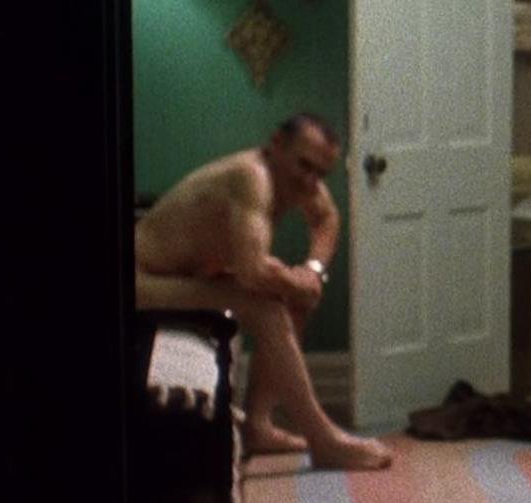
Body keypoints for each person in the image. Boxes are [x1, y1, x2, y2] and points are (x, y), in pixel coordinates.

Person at [135, 112, 392, 471]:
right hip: (141, 280)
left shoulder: (299, 182)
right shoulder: (251, 177)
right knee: (265, 306)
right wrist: (299, 282)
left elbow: (326, 218)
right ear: (276, 145)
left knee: (292, 296)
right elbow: (253, 271)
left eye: (321, 173)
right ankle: (323, 440)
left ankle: (258, 425)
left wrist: (312, 271)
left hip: (185, 276)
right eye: (304, 165)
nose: (311, 181)